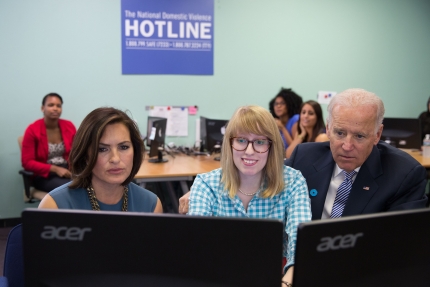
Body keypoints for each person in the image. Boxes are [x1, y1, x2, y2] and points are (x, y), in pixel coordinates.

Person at [187, 105, 311, 286]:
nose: (249, 151)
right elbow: (197, 247)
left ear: (272, 146)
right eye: (241, 140)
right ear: (229, 143)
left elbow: (300, 244)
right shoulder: (206, 184)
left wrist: (286, 283)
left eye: (260, 142)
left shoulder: (293, 182)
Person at [285, 88, 427, 220]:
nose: (347, 146)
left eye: (359, 136)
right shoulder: (302, 158)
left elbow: (401, 241)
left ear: (377, 134)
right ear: (328, 129)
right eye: (340, 133)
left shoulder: (404, 175)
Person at [39, 107, 163, 213]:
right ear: (85, 155)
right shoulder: (54, 206)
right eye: (102, 149)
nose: (115, 159)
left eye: (123, 147)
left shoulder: (151, 205)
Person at [21, 93, 76, 192]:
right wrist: (55, 169)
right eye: (51, 105)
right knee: (71, 188)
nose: (55, 108)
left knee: (91, 183)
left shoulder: (69, 126)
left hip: (68, 170)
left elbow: (78, 151)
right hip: (44, 175)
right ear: (43, 108)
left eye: (58, 106)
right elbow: (27, 162)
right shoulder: (32, 130)